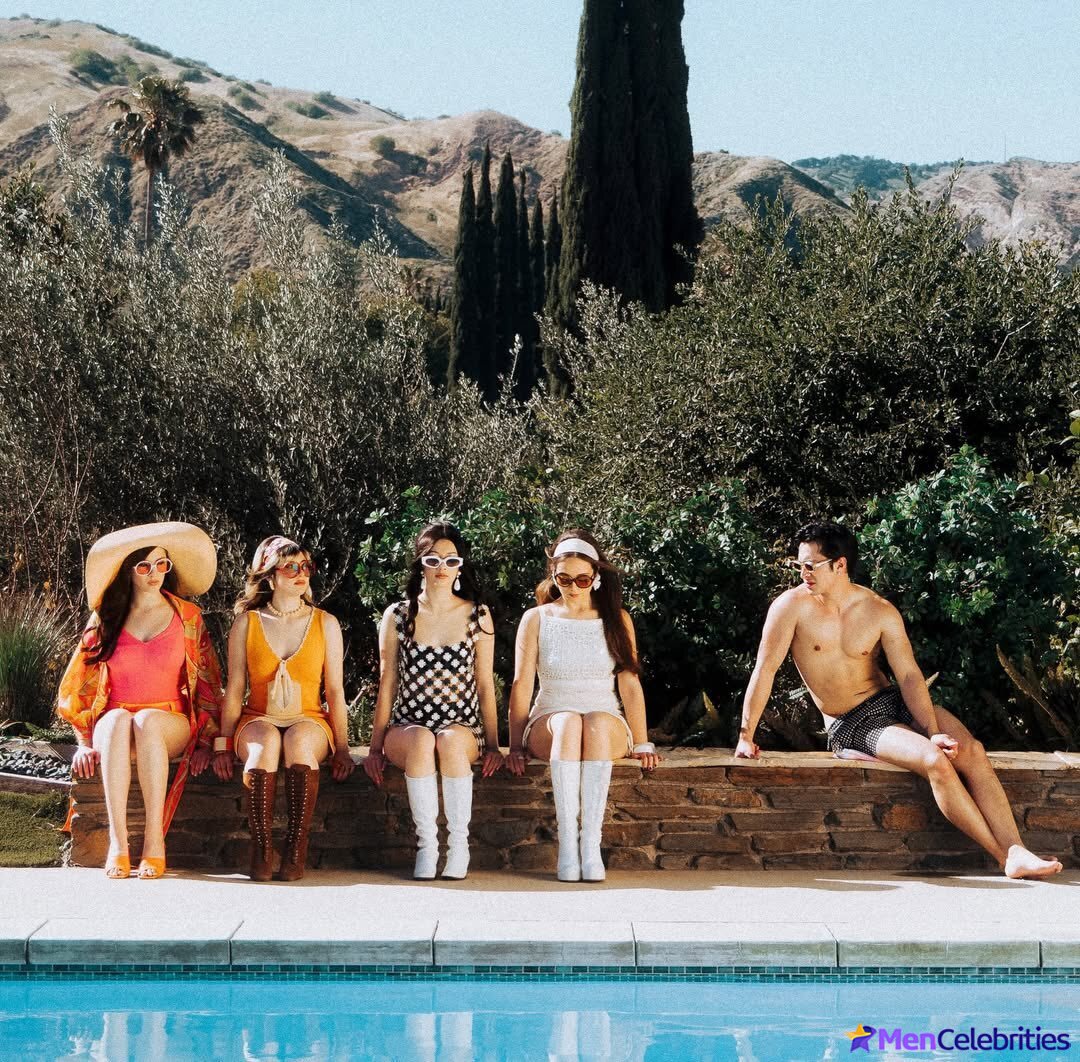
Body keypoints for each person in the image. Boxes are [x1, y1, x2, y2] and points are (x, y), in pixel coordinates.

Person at [736, 520, 1063, 880]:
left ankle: (1017, 848)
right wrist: (745, 735)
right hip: (852, 721)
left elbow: (908, 675)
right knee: (934, 760)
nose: (803, 573)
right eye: (799, 564)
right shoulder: (790, 607)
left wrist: (932, 729)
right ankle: (1004, 857)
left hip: (892, 701)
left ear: (840, 565)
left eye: (811, 565)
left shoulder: (878, 610)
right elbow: (765, 669)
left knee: (971, 750)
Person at [57, 522, 222, 879]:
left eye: (162, 564)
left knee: (145, 721)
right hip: (115, 722)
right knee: (120, 720)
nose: (154, 573)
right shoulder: (106, 617)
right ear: (127, 571)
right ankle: (118, 844)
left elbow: (209, 684)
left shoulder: (188, 617)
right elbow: (78, 685)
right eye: (144, 566)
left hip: (167, 721)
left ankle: (153, 842)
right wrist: (83, 743)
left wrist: (208, 742)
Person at [507, 530, 659, 882]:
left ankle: (590, 845)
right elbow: (521, 683)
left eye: (582, 579)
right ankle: (567, 847)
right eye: (564, 579)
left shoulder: (616, 619)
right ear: (553, 575)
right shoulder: (537, 618)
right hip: (550, 720)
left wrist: (643, 741)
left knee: (593, 722)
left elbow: (629, 682)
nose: (573, 587)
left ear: (596, 576)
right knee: (569, 723)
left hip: (604, 720)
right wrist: (514, 745)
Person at [364, 523, 503, 880]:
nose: (442, 567)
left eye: (451, 560)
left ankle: (458, 846)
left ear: (460, 566)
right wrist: (375, 748)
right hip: (407, 727)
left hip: (462, 726)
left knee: (450, 740)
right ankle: (427, 846)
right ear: (421, 564)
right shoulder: (398, 615)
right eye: (433, 559)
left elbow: (484, 684)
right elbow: (388, 682)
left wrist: (494, 745)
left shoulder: (477, 614)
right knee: (423, 739)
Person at [212, 536, 355, 881]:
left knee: (298, 742)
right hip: (258, 717)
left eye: (306, 566)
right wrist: (222, 745)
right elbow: (235, 689)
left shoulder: (325, 622)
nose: (301, 573)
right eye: (290, 567)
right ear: (270, 576)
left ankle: (295, 849)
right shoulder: (247, 623)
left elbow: (335, 691)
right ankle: (261, 851)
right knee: (265, 745)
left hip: (309, 719)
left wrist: (343, 748)